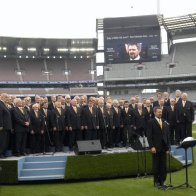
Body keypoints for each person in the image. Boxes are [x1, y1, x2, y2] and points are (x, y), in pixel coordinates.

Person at [147, 107, 170, 188]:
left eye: (161, 112)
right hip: (155, 148)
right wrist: (152, 146)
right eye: (158, 112)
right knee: (156, 165)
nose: (160, 113)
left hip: (164, 148)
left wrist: (168, 148)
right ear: (155, 113)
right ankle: (156, 182)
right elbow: (149, 136)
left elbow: (167, 136)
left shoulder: (165, 122)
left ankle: (162, 181)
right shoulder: (151, 122)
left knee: (163, 166)